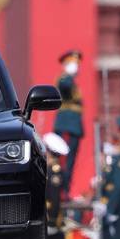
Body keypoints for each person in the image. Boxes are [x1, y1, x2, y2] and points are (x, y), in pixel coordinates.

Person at [54, 50, 84, 195]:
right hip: (66, 125)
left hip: (73, 125)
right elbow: (64, 86)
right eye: (73, 63)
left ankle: (65, 190)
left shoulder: (72, 81)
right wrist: (69, 76)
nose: (76, 67)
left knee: (70, 162)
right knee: (62, 161)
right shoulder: (65, 79)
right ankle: (59, 189)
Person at [43, 132, 69, 239]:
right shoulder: (48, 169)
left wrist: (52, 221)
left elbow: (54, 198)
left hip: (51, 219)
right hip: (46, 218)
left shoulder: (54, 172)